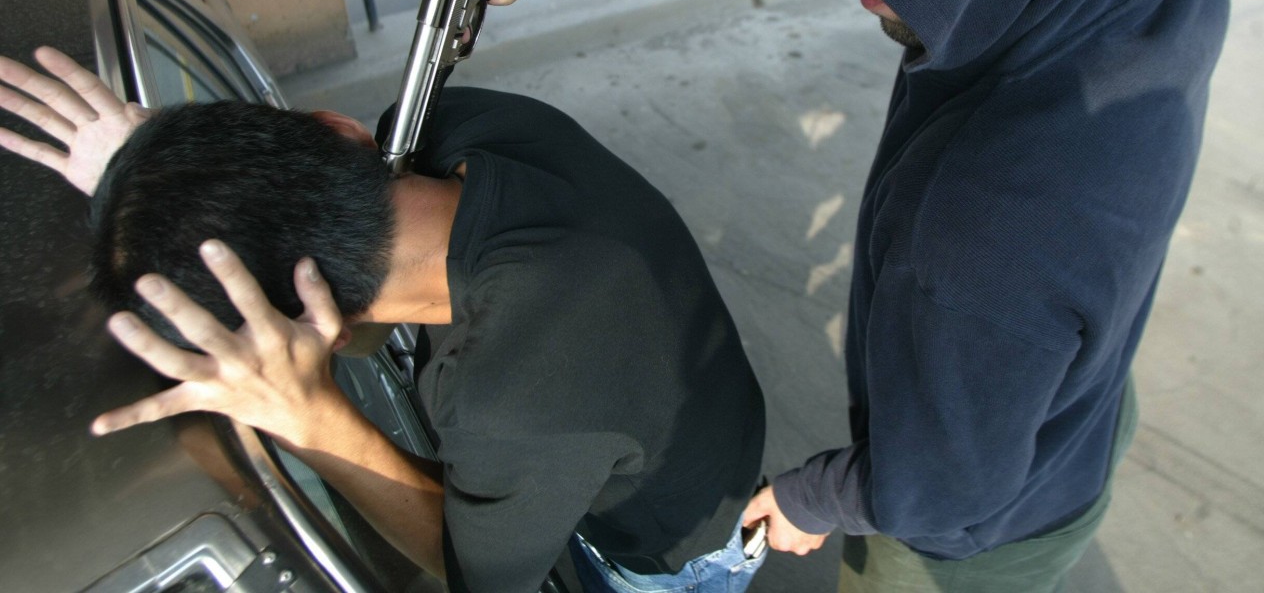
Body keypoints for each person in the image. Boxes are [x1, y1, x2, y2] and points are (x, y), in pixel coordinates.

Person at [429, 0, 1232, 590]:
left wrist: (819, 498)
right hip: (1084, 397)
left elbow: (948, 487)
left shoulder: (984, 236)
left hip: (985, 532)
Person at [0, 47, 767, 593]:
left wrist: (309, 414)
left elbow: (481, 576)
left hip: (668, 554)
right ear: (340, 129)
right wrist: (160, 188)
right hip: (691, 412)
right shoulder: (465, 123)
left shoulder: (514, 398)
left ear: (320, 335)